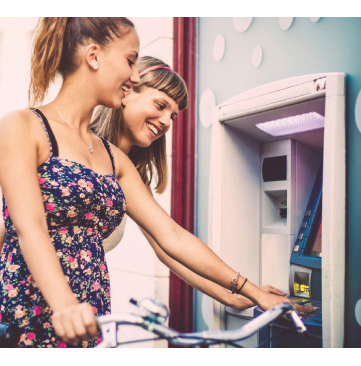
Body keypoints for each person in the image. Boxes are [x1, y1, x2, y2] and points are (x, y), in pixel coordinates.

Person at [0, 17, 315, 349]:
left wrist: (247, 292)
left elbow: (172, 239)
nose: (134, 75)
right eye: (130, 61)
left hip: (87, 319)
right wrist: (64, 303)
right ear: (93, 56)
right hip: (30, 313)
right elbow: (28, 226)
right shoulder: (23, 125)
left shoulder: (115, 161)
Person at [90, 55, 288, 310]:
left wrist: (231, 295)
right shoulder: (81, 149)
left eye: (172, 116)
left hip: (87, 302)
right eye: (161, 106)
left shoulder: (130, 172)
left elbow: (170, 245)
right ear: (127, 92)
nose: (165, 122)